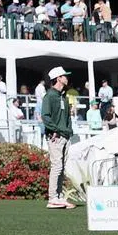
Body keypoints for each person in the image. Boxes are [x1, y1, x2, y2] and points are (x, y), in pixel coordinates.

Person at [40, 66, 76, 210]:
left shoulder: (63, 96)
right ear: (58, 78)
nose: (66, 78)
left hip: (65, 136)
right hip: (55, 136)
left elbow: (67, 118)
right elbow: (45, 116)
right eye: (64, 76)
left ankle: (58, 196)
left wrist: (68, 131)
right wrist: (54, 130)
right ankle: (53, 197)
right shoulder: (49, 96)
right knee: (57, 166)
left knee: (61, 167)